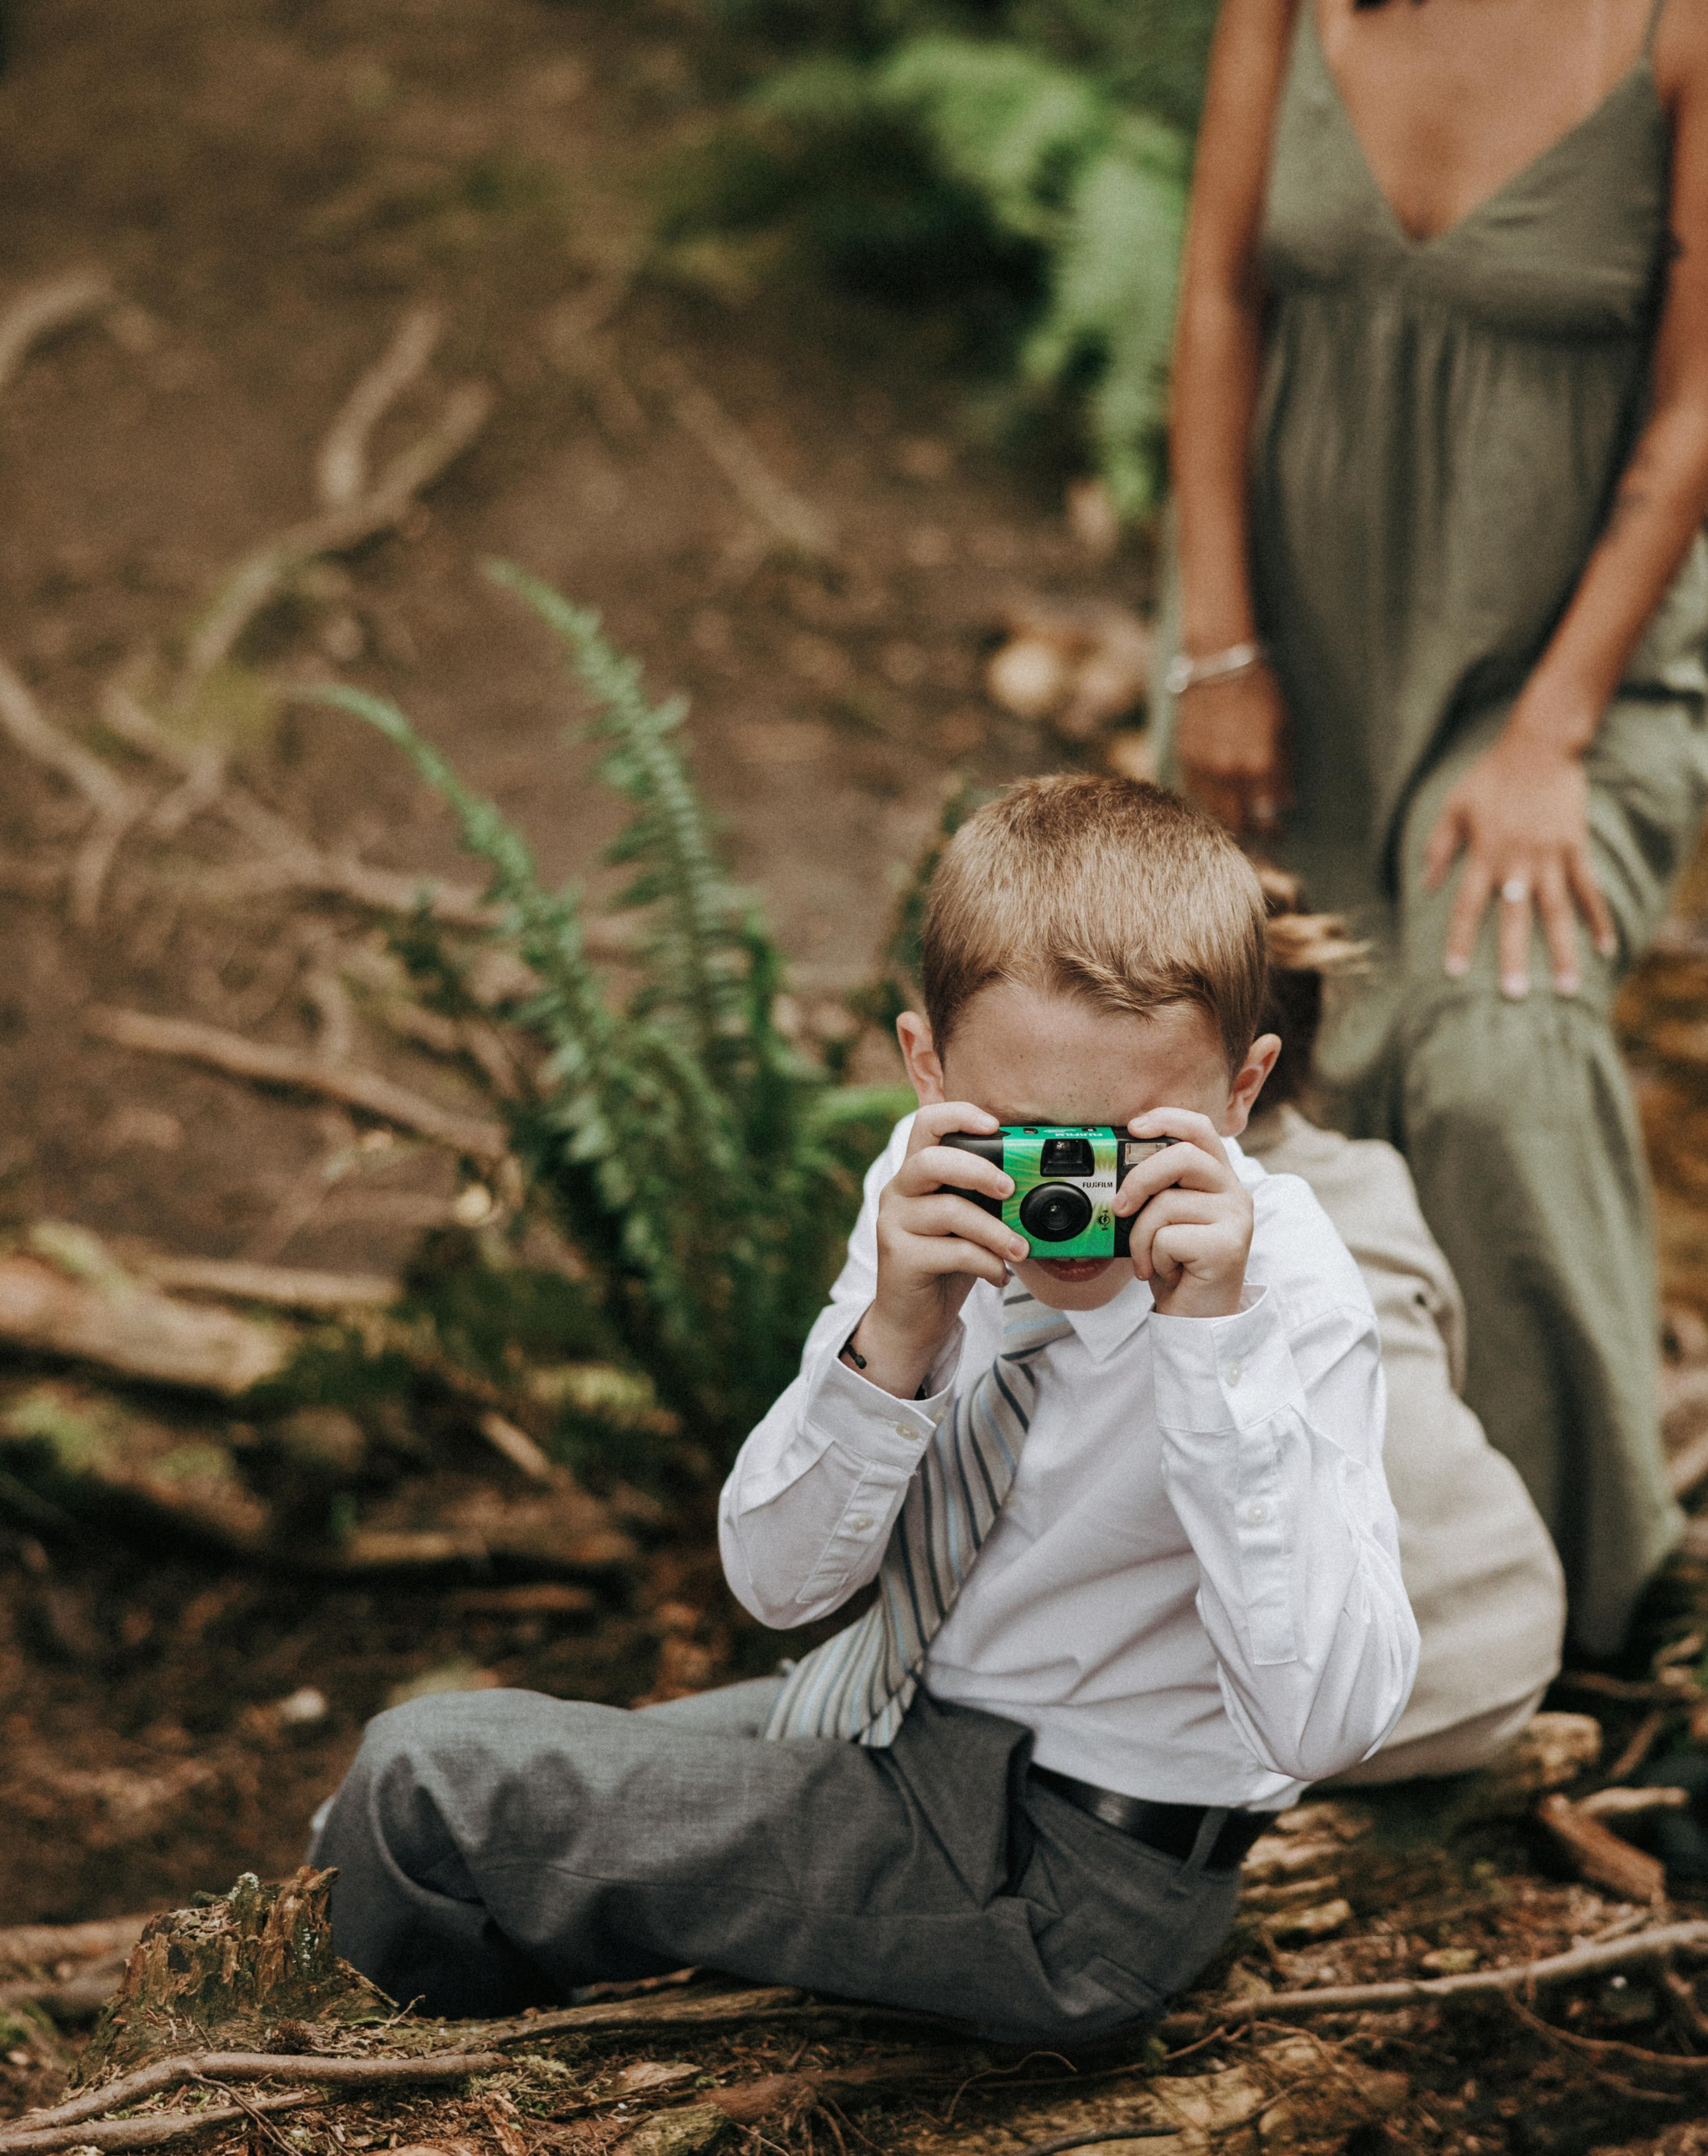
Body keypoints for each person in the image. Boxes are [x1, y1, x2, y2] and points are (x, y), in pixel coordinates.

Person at [1163, 0, 1708, 1658]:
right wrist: (1215, 646)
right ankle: (1281, 1588)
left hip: (1567, 652)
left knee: (1499, 1054)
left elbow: (1701, 404)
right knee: (1253, 1076)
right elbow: (1218, 291)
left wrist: (1545, 734)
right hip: (1292, 629)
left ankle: (1580, 1627)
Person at [314, 775, 1438, 2044]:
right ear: (926, 1066)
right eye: (1027, 1141)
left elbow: (1325, 1722)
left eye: (1128, 1145)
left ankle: (353, 2106)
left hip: (1076, 1870)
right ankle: (438, 2067)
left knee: (430, 1785)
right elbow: (777, 1585)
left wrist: (1213, 1353)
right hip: (894, 1726)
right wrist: (895, 1337)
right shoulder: (927, 1194)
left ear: (1242, 1091)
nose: (1066, 1202)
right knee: (420, 1801)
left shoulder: (1285, 1289)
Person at [1243, 876, 1564, 1784]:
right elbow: (1439, 1365)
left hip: (1338, 1713)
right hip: (1502, 1641)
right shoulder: (1372, 1177)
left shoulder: (1127, 1230)